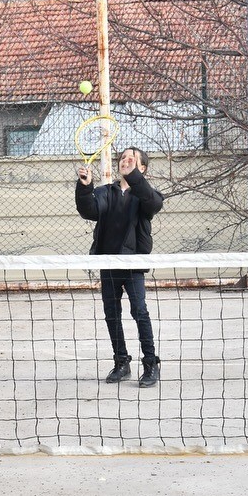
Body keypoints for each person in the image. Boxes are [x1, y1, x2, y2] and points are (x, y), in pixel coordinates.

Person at [75, 146, 165, 386]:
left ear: (142, 168)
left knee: (139, 311)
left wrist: (135, 178)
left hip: (134, 264)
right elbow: (89, 210)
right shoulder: (106, 192)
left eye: (132, 159)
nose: (125, 161)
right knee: (111, 314)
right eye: (123, 158)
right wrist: (85, 187)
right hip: (109, 263)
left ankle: (150, 363)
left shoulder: (146, 195)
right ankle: (121, 362)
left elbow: (154, 204)